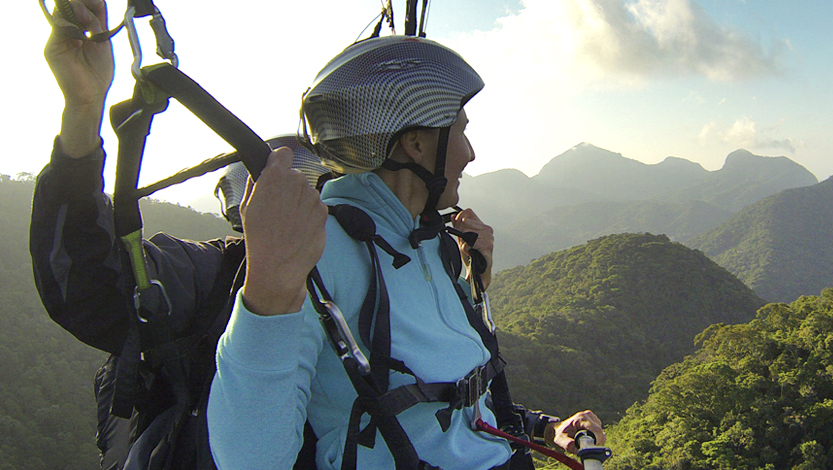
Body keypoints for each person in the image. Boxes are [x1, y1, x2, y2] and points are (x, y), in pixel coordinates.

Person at [32, 1, 604, 469]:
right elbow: (86, 285)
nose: (472, 152)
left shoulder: (431, 247)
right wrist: (82, 110)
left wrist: (542, 430)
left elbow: (441, 404)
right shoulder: (283, 260)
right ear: (416, 143)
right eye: (461, 129)